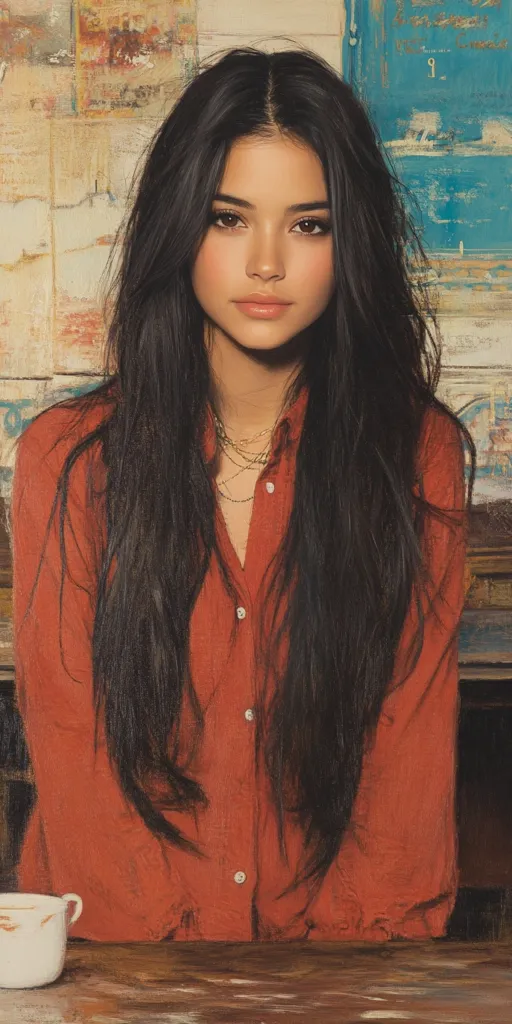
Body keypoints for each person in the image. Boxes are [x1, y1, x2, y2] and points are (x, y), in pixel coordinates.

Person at [11, 46, 476, 943]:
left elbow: (403, 759)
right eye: (230, 219)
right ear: (180, 224)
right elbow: (78, 760)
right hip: (125, 962)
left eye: (309, 226)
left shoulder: (413, 455)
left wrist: (329, 984)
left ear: (354, 242)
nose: (267, 262)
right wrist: (185, 981)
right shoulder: (68, 462)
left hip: (336, 970)